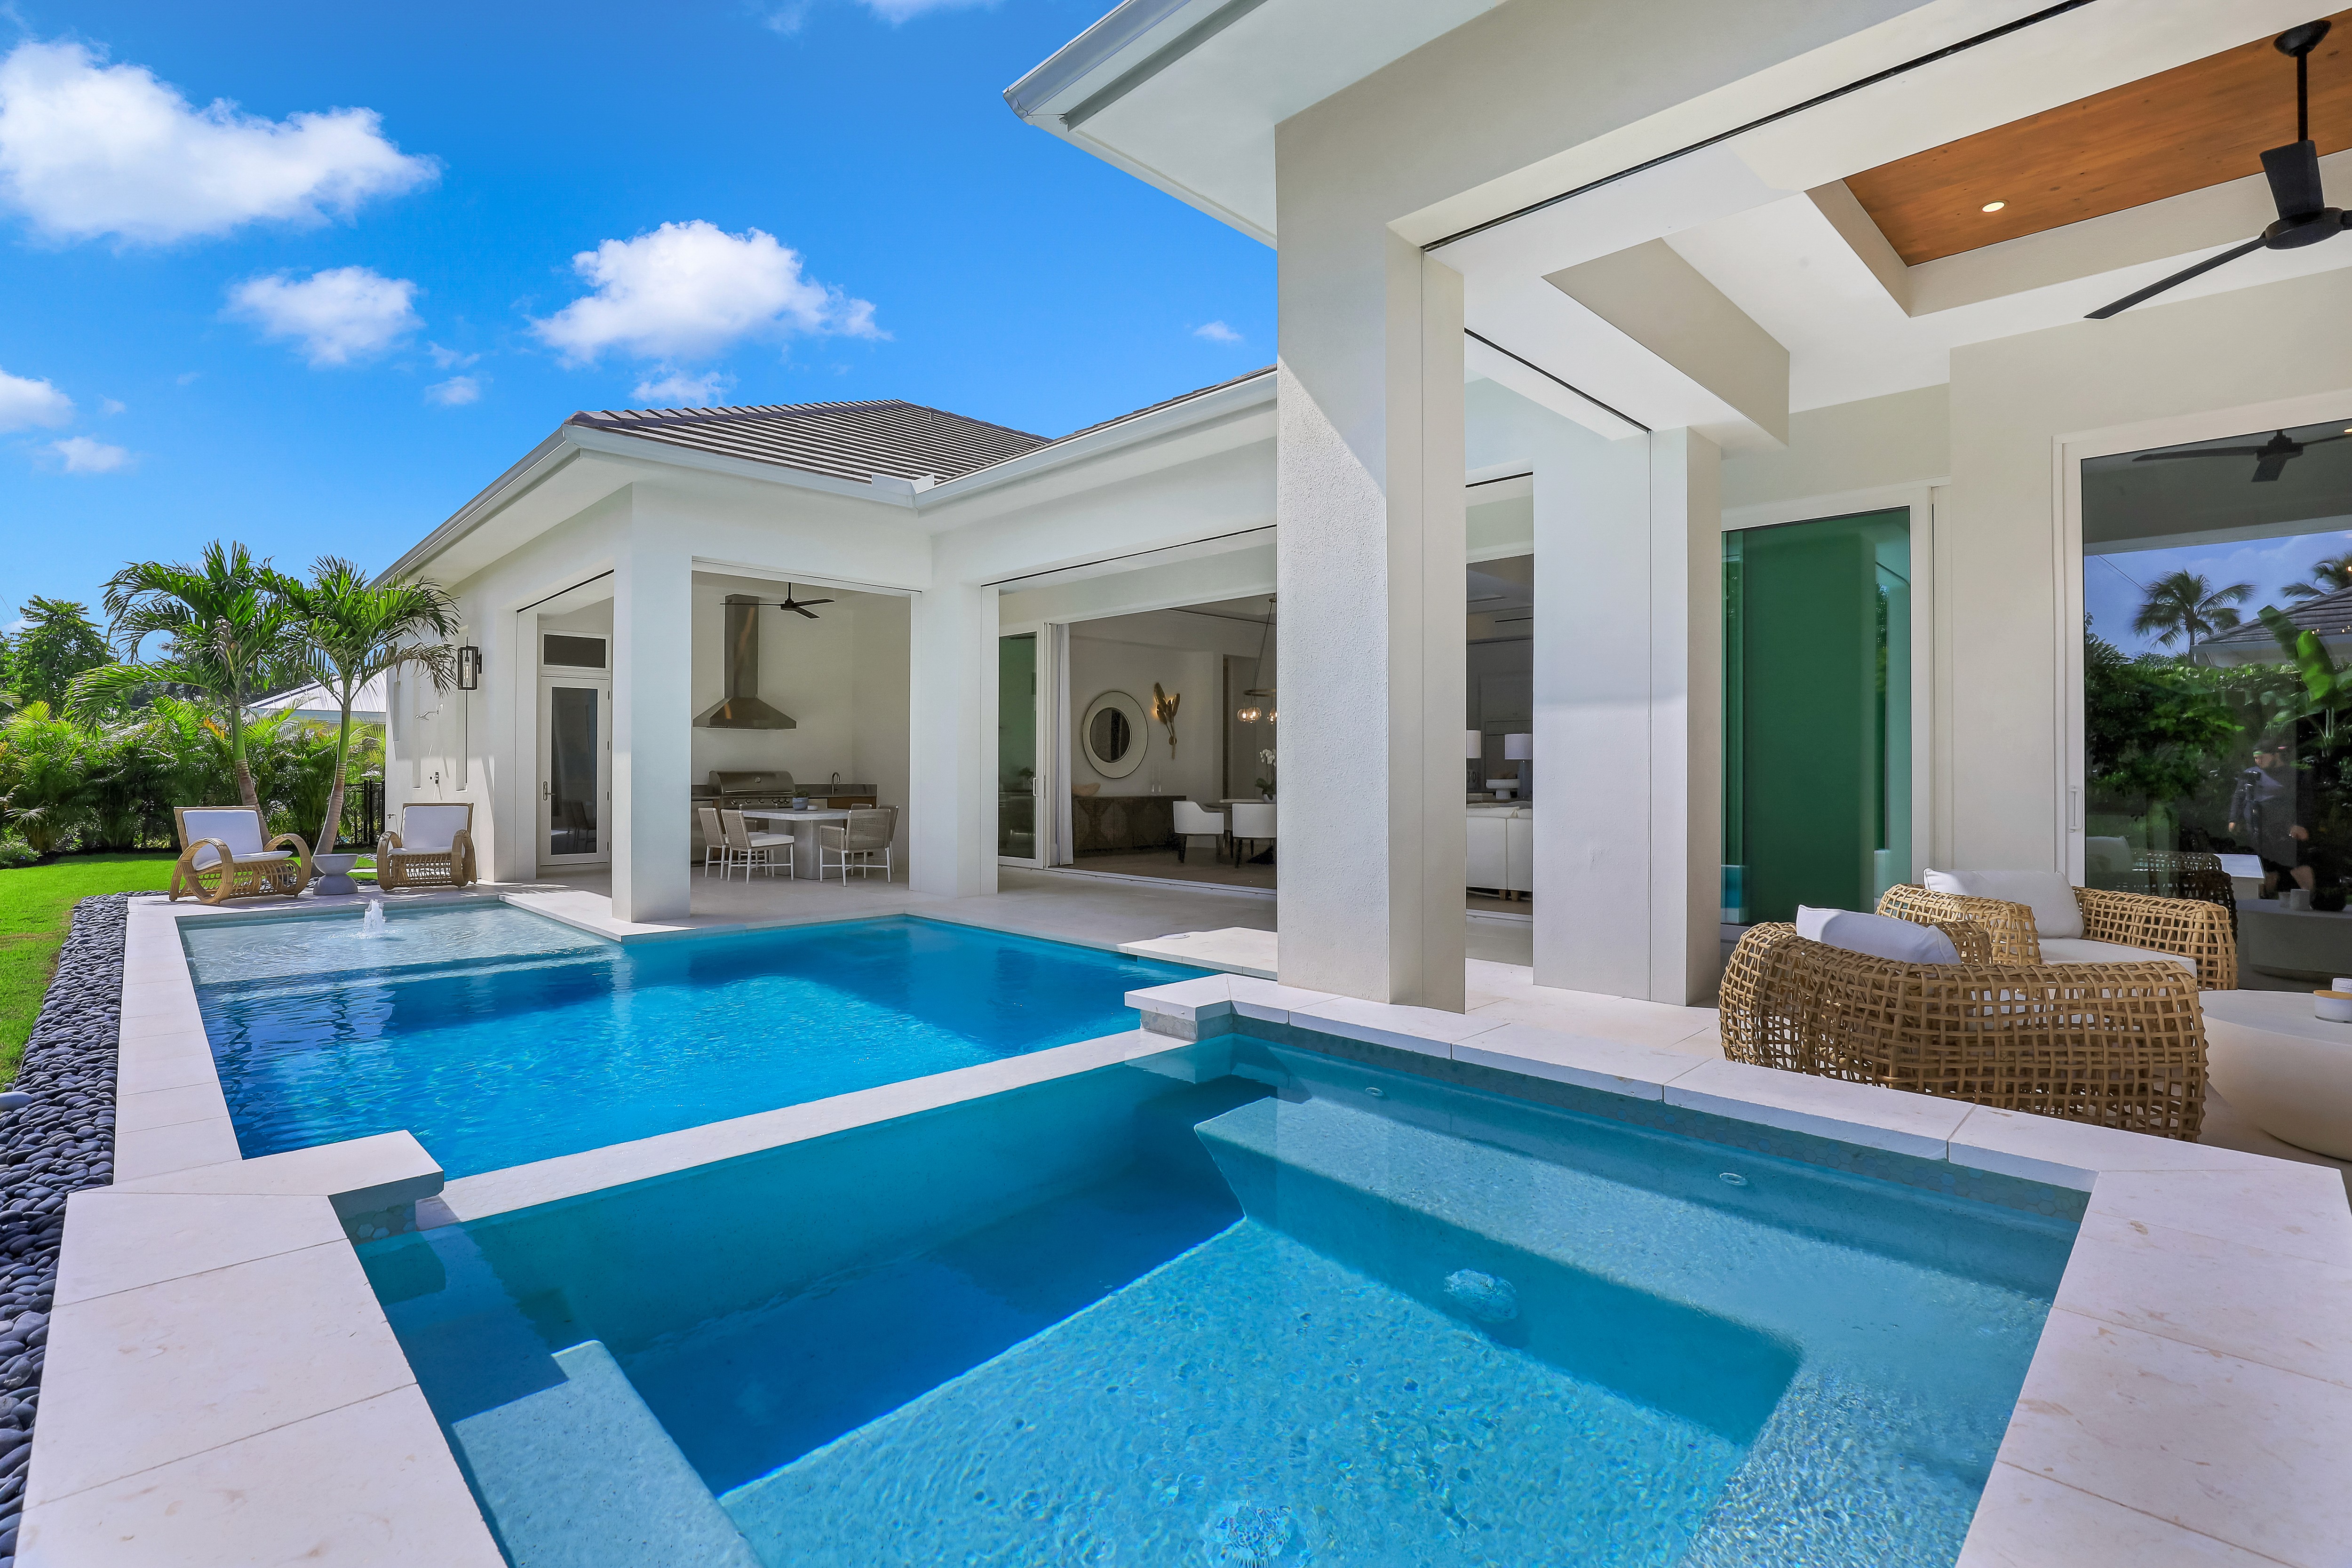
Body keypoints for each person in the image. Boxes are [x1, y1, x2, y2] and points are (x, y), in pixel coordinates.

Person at [2229, 743, 2315, 894]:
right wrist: (2234, 819)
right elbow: (2239, 797)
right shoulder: (2250, 775)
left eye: (2261, 757)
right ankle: (2264, 900)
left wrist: (2300, 825)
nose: (2258, 761)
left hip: (2285, 829)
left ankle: (2311, 897)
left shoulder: (2294, 776)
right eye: (2255, 758)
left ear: (2275, 755)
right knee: (2266, 868)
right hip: (2258, 830)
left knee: (2297, 863)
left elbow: (2305, 802)